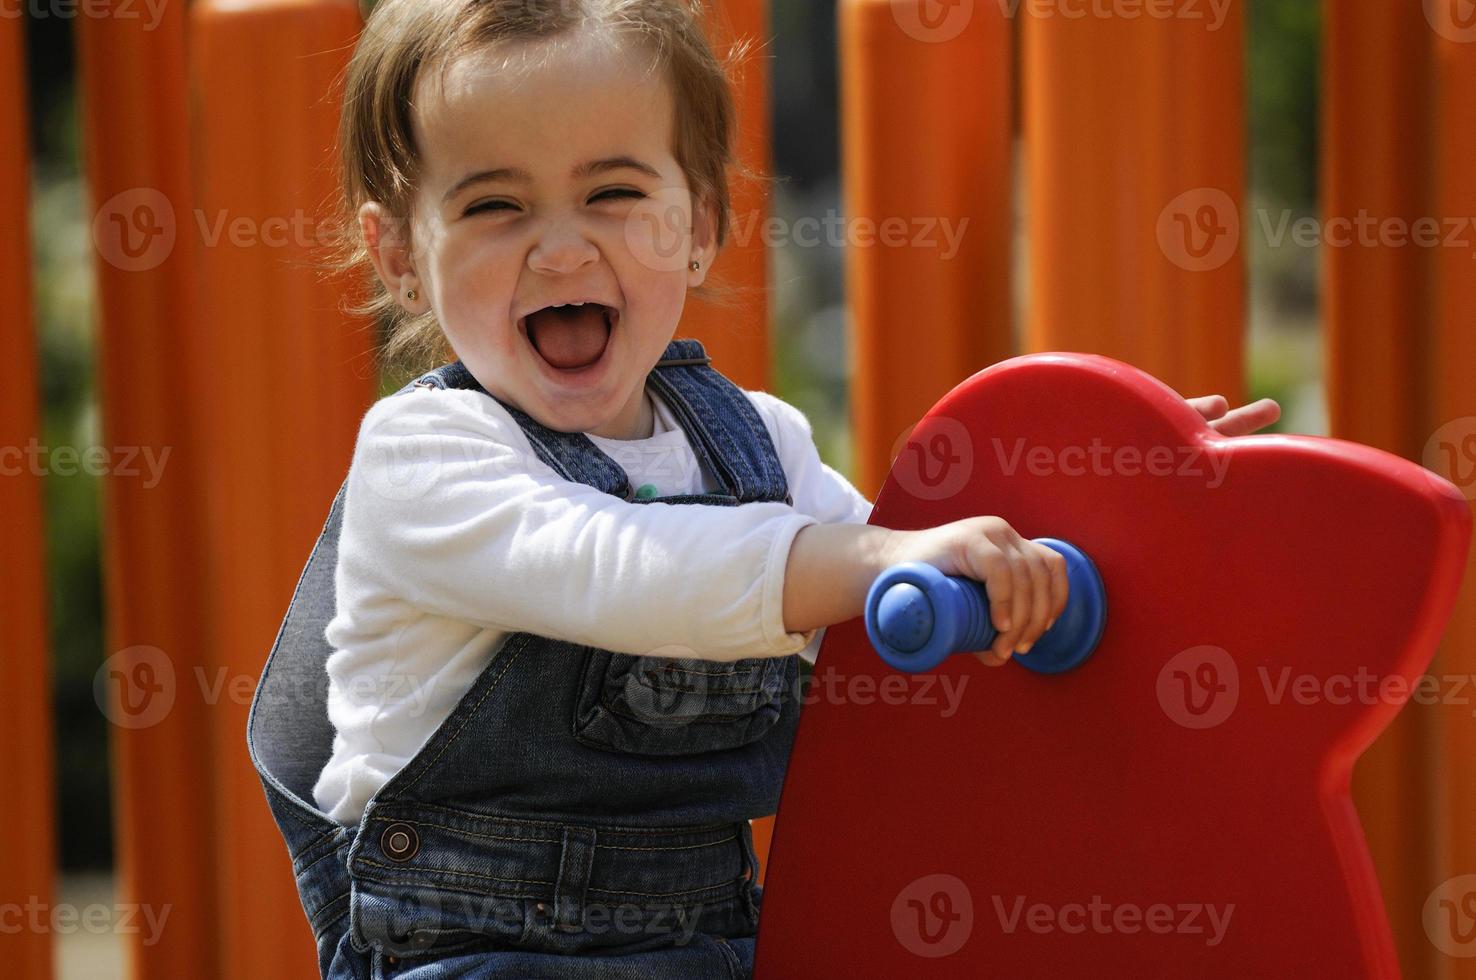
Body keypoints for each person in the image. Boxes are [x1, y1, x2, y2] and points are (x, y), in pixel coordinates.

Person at [246, 1, 1281, 976]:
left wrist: (1107, 503)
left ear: (698, 220)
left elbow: (894, 607)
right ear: (401, 259)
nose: (560, 245)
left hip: (720, 942)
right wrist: (878, 556)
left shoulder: (757, 444)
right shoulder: (425, 454)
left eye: (612, 192)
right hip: (473, 951)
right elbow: (623, 566)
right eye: (494, 205)